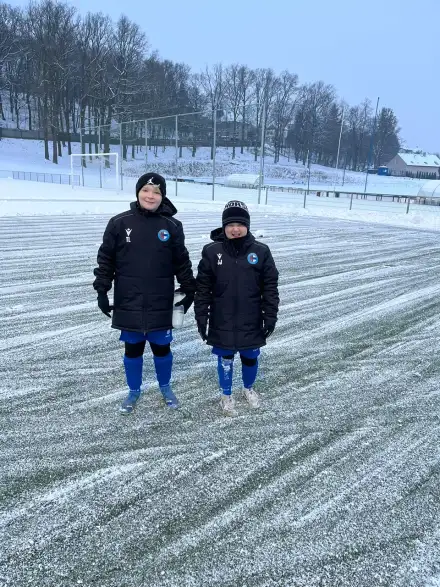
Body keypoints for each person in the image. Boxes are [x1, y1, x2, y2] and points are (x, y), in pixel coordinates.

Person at [93, 172, 195, 414]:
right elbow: (106, 259)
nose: (151, 196)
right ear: (138, 192)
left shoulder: (172, 226)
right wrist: (102, 290)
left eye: (157, 192)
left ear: (163, 196)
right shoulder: (119, 223)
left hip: (161, 299)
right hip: (129, 299)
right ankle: (133, 390)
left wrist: (189, 289)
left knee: (162, 348)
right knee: (133, 349)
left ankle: (165, 387)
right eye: (146, 190)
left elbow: (181, 261)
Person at [194, 200, 279, 415]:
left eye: (240, 224)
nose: (235, 229)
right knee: (226, 360)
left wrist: (270, 316)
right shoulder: (211, 251)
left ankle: (248, 388)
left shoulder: (261, 251)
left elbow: (270, 288)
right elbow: (202, 288)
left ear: (247, 226)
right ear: (223, 226)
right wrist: (201, 316)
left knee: (250, 358)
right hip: (221, 319)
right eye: (230, 224)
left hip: (251, 319)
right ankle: (226, 393)